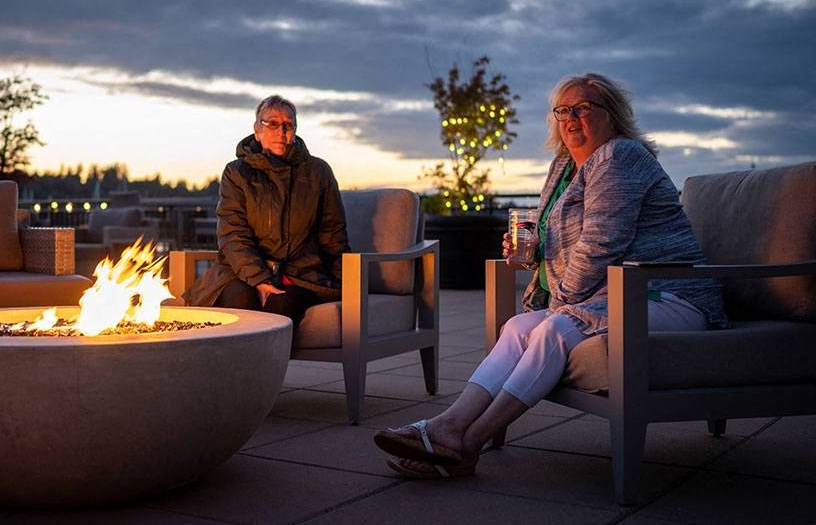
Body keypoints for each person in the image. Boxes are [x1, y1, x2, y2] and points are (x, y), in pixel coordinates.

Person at [373, 72, 726, 479]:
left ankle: (469, 443)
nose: (571, 118)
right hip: (611, 296)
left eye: (583, 108)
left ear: (612, 115)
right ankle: (447, 425)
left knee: (553, 328)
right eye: (562, 110)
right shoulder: (563, 168)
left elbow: (601, 245)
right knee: (519, 327)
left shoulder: (620, 156)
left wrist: (559, 305)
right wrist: (532, 254)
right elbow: (556, 238)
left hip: (667, 295)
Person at [183, 95, 349, 329]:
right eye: (272, 123)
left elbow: (333, 234)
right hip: (241, 274)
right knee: (240, 304)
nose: (281, 131)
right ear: (257, 130)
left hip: (300, 275)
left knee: (278, 312)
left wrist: (345, 283)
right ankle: (233, 366)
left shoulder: (317, 172)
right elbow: (233, 233)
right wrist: (259, 278)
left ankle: (262, 365)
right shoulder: (237, 173)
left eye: (288, 125)